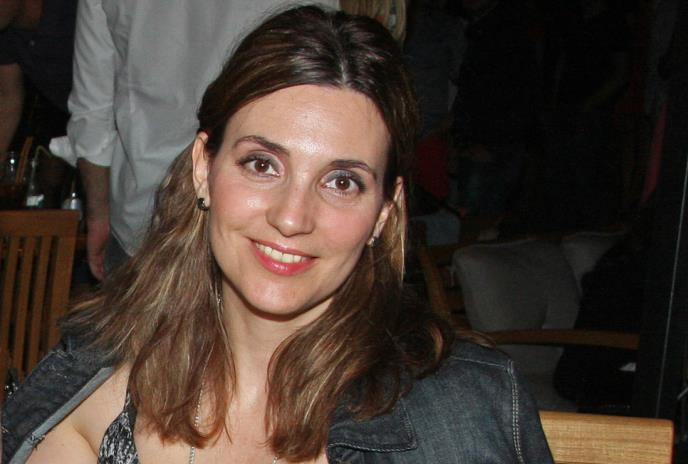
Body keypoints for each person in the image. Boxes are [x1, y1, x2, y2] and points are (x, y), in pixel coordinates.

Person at [2, 6, 553, 463]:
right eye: (263, 164)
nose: (292, 218)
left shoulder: (455, 413)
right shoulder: (93, 381)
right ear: (203, 167)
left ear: (385, 213)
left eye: (342, 181)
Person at [49, 0, 336, 281]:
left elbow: (92, 112)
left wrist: (98, 215)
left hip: (144, 214)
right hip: (262, 216)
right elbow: (329, 78)